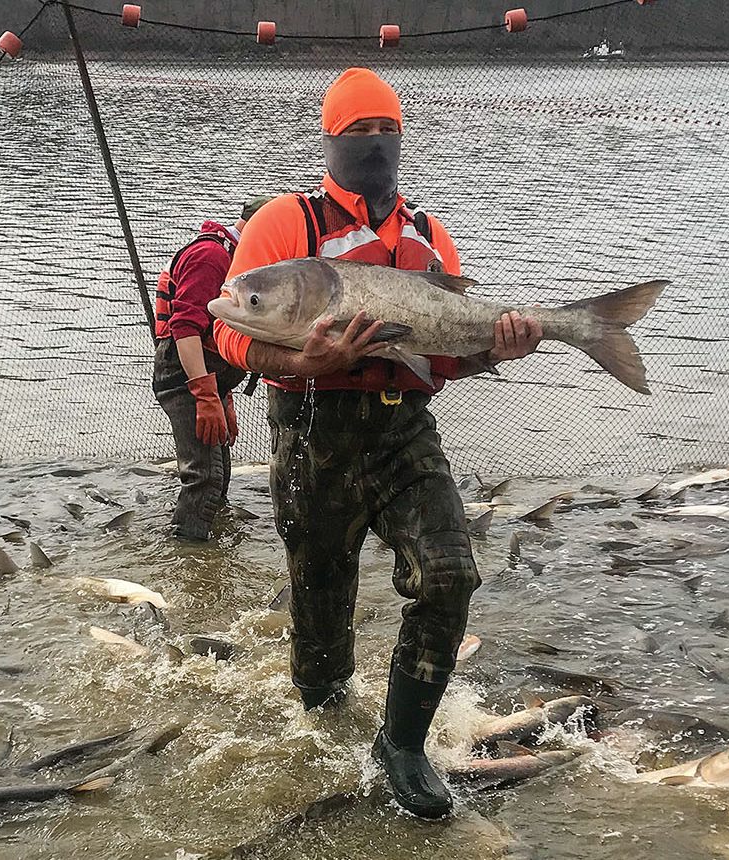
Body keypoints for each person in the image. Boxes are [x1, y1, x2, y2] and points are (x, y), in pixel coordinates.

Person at [213, 69, 543, 819]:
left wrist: (501, 347)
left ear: (400, 136)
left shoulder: (428, 237)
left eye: (383, 130)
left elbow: (447, 356)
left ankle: (401, 742)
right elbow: (227, 330)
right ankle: (322, 730)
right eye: (356, 131)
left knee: (451, 572)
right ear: (329, 138)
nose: (372, 144)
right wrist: (304, 362)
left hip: (403, 430)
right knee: (319, 619)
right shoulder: (282, 225)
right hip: (310, 433)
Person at [152, 197, 272, 541]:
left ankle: (209, 546)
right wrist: (205, 395)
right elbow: (185, 328)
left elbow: (218, 335)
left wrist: (223, 397)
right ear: (254, 228)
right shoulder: (212, 256)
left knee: (219, 471)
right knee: (204, 477)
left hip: (209, 378)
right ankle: (188, 555)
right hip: (182, 377)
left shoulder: (238, 258)